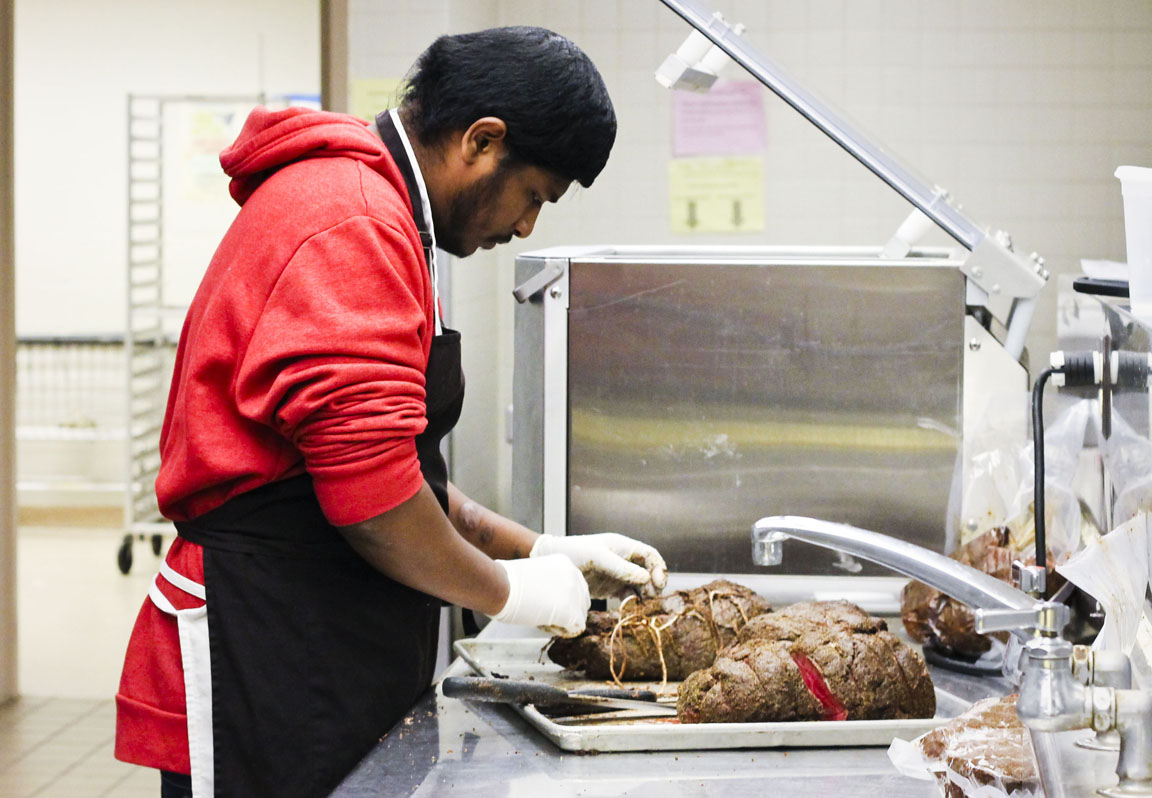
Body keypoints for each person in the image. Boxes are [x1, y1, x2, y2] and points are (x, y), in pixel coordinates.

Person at [114, 26, 667, 798]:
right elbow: (372, 500)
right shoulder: (355, 221)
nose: (527, 227)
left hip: (319, 634)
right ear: (482, 140)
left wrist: (541, 546)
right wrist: (510, 592)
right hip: (272, 649)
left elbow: (392, 462)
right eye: (534, 194)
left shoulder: (380, 207)